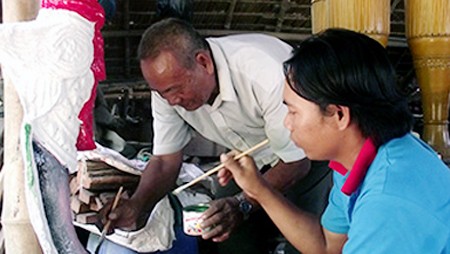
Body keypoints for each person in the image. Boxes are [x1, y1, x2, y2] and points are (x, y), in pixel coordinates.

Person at [100, 17, 332, 254]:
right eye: (162, 94)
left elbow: (296, 163)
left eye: (175, 90)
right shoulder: (167, 89)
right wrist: (137, 205)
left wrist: (242, 203)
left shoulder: (265, 72)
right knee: (221, 231)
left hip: (307, 159)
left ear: (204, 63)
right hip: (250, 163)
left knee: (308, 243)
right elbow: (163, 161)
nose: (171, 101)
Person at [218, 28, 450, 253]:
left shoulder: (388, 202)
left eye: (293, 111)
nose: (287, 123)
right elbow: (327, 245)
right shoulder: (362, 158)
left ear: (339, 115)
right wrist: (258, 189)